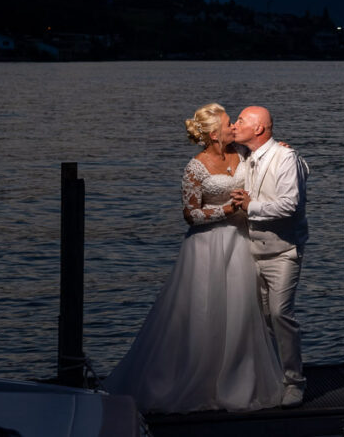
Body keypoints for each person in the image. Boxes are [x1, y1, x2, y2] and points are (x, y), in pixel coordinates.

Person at [104, 103, 283, 414]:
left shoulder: (241, 153)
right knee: (203, 314)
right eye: (229, 123)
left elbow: (264, 151)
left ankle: (238, 379)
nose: (234, 127)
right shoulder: (194, 168)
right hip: (207, 247)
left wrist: (279, 149)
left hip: (240, 244)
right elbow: (190, 215)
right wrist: (229, 210)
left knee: (240, 313)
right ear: (214, 134)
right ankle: (197, 379)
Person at [230, 105, 310, 409]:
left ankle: (294, 381)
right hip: (250, 251)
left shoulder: (285, 158)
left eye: (241, 121)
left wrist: (251, 206)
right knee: (261, 319)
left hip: (284, 252)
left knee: (280, 314)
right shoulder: (245, 153)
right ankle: (270, 376)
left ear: (260, 129)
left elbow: (289, 205)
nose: (235, 125)